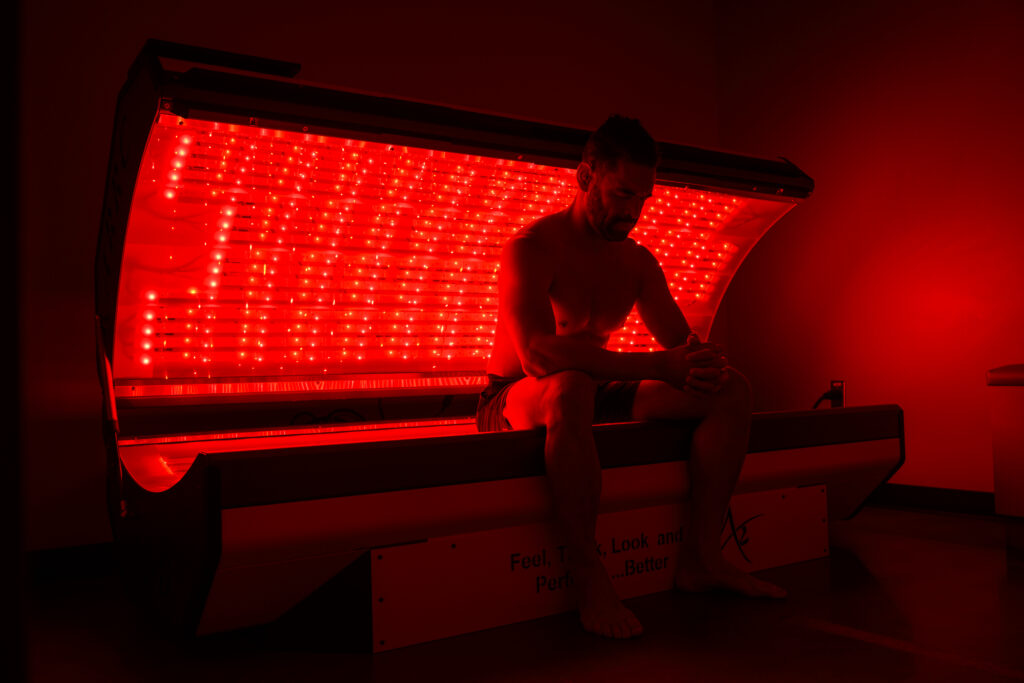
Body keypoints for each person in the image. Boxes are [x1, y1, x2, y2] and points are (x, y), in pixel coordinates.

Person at [476, 115, 786, 640]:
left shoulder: (639, 264)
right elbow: (535, 355)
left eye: (641, 199)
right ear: (585, 177)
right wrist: (653, 367)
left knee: (731, 390)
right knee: (570, 387)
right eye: (621, 194)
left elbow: (680, 346)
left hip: (594, 388)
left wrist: (702, 363)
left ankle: (702, 558)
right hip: (514, 397)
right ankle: (589, 576)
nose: (630, 211)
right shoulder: (532, 246)